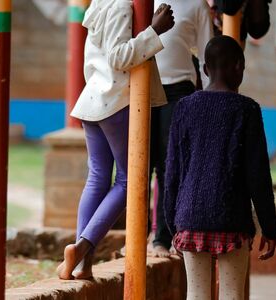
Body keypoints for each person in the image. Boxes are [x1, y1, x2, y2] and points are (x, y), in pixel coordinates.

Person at [56, 1, 175, 280]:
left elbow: (95, 58)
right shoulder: (123, 5)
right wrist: (154, 31)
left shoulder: (99, 3)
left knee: (97, 178)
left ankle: (81, 263)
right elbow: (118, 58)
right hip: (117, 102)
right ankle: (83, 247)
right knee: (129, 179)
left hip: (94, 98)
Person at [164, 35, 276, 299]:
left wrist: (174, 225)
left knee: (195, 294)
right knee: (232, 294)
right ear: (239, 66)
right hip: (232, 221)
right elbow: (258, 175)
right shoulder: (247, 109)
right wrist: (269, 228)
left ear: (204, 69)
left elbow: (172, 171)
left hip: (189, 219)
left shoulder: (183, 107)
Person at [148, 0, 214, 258]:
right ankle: (137, 235)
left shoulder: (197, 5)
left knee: (169, 167)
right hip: (141, 87)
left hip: (178, 92)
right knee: (138, 166)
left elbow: (209, 53)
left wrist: (210, 101)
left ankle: (162, 239)